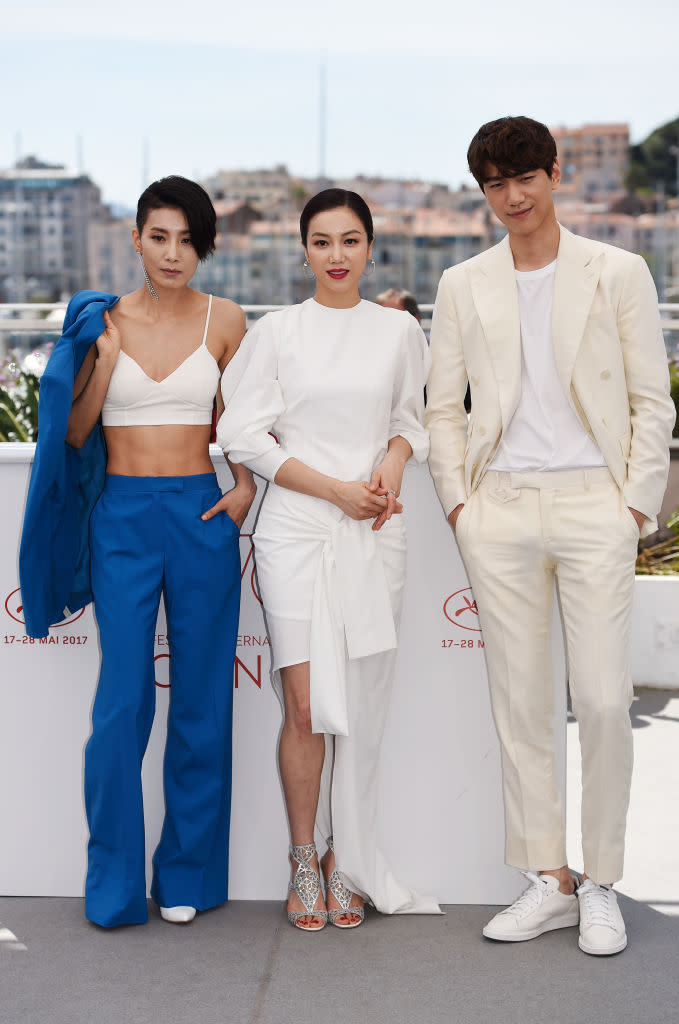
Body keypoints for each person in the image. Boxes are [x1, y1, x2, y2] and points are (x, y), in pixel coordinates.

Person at [425, 117, 675, 956]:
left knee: (604, 700)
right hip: (499, 508)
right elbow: (442, 409)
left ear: (555, 174)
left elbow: (651, 400)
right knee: (522, 706)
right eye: (495, 183)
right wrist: (462, 507)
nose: (512, 196)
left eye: (523, 176)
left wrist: (633, 506)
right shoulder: (463, 283)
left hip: (593, 505)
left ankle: (602, 878)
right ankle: (550, 880)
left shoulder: (618, 270)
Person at [20, 175, 255, 928]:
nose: (173, 253)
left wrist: (244, 484)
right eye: (159, 236)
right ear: (136, 239)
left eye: (188, 239)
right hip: (119, 517)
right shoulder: (103, 320)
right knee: (122, 703)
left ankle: (187, 875)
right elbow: (78, 431)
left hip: (199, 513)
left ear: (204, 244)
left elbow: (244, 420)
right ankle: (115, 885)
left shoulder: (227, 321)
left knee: (201, 703)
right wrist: (108, 361)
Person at [215, 188, 440, 930]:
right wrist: (334, 489)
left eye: (350, 241)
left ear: (371, 247)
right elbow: (247, 436)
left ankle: (351, 855)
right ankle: (304, 855)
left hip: (375, 533)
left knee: (362, 712)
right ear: (303, 250)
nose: (337, 256)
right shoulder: (279, 333)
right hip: (297, 533)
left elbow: (413, 419)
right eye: (322, 242)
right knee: (307, 707)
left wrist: (392, 465)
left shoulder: (398, 331)